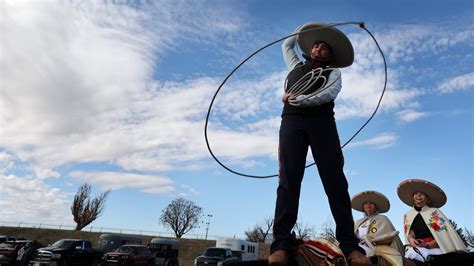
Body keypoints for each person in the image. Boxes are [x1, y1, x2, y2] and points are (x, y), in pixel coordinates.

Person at [268, 22, 370, 265]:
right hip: (292, 122)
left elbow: (328, 94)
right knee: (288, 179)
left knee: (334, 180)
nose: (318, 49)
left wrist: (299, 99)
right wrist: (302, 28)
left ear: (331, 56)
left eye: (324, 48)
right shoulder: (295, 66)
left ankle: (350, 246)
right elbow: (286, 45)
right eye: (316, 45)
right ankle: (281, 243)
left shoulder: (334, 73)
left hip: (322, 123)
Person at [397, 179, 467, 263]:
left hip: (437, 249)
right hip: (417, 248)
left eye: (422, 194)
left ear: (428, 199)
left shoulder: (434, 212)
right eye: (416, 194)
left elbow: (443, 236)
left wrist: (427, 245)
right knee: (409, 256)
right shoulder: (408, 215)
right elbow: (410, 232)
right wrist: (411, 240)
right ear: (413, 197)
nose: (418, 196)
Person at [351, 190, 404, 265]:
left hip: (374, 248)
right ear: (363, 207)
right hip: (358, 246)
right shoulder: (358, 222)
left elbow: (385, 236)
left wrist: (368, 240)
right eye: (366, 203)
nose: (368, 205)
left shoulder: (382, 218)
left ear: (376, 206)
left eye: (371, 203)